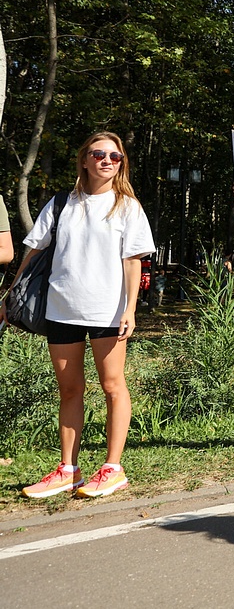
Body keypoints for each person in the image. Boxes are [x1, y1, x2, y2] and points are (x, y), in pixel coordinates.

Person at [14, 132, 154, 499]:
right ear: (85, 159)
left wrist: (130, 308)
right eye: (98, 154)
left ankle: (113, 467)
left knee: (112, 386)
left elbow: (132, 261)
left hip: (107, 311)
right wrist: (11, 294)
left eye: (115, 156)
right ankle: (68, 469)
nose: (106, 160)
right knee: (70, 390)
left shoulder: (127, 206)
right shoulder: (62, 203)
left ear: (121, 163)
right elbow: (33, 252)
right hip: (61, 309)